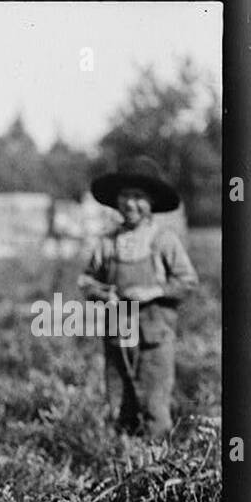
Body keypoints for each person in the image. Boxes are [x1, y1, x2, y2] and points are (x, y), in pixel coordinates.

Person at [77, 155, 199, 438]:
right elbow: (86, 280)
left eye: (138, 196)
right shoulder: (107, 243)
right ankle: (123, 464)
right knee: (121, 407)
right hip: (117, 339)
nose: (130, 203)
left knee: (155, 408)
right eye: (125, 196)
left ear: (151, 203)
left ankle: (156, 468)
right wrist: (102, 293)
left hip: (154, 340)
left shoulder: (163, 240)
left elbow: (188, 281)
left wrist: (153, 291)